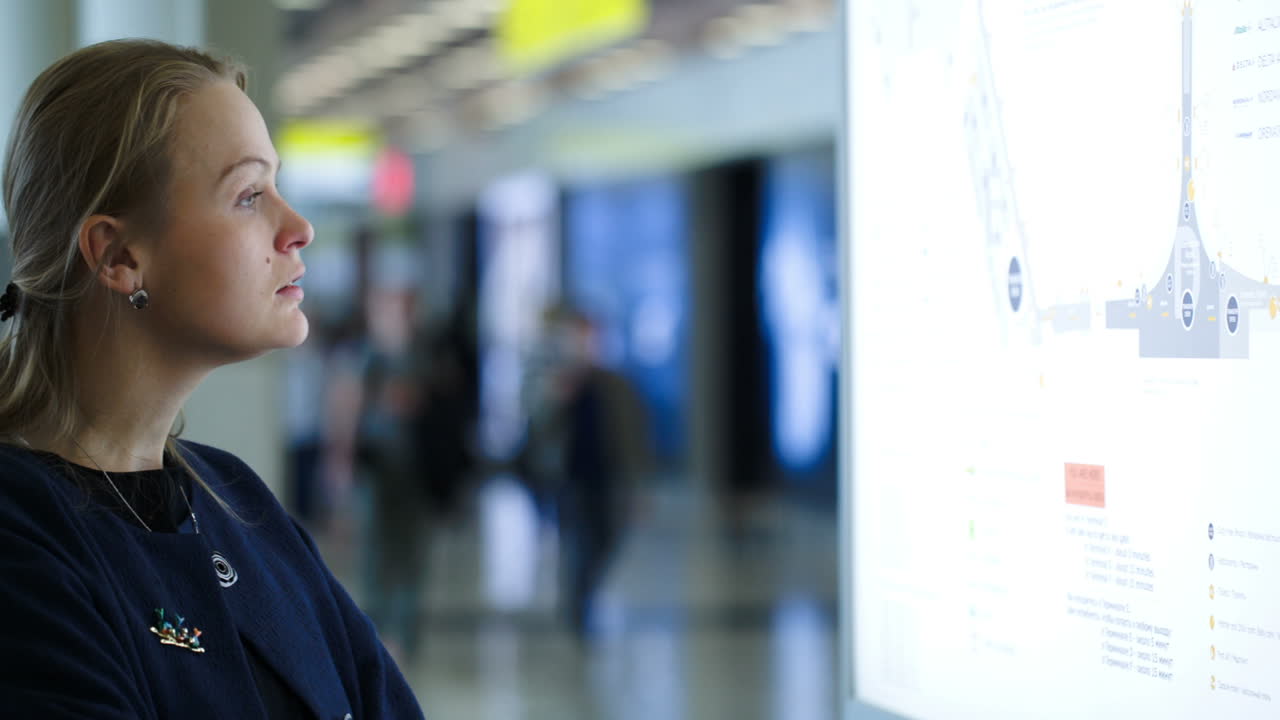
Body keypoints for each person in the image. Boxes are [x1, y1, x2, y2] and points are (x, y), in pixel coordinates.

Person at [0, 40, 424, 718]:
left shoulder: (234, 498)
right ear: (119, 255)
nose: (299, 228)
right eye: (250, 194)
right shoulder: (21, 540)